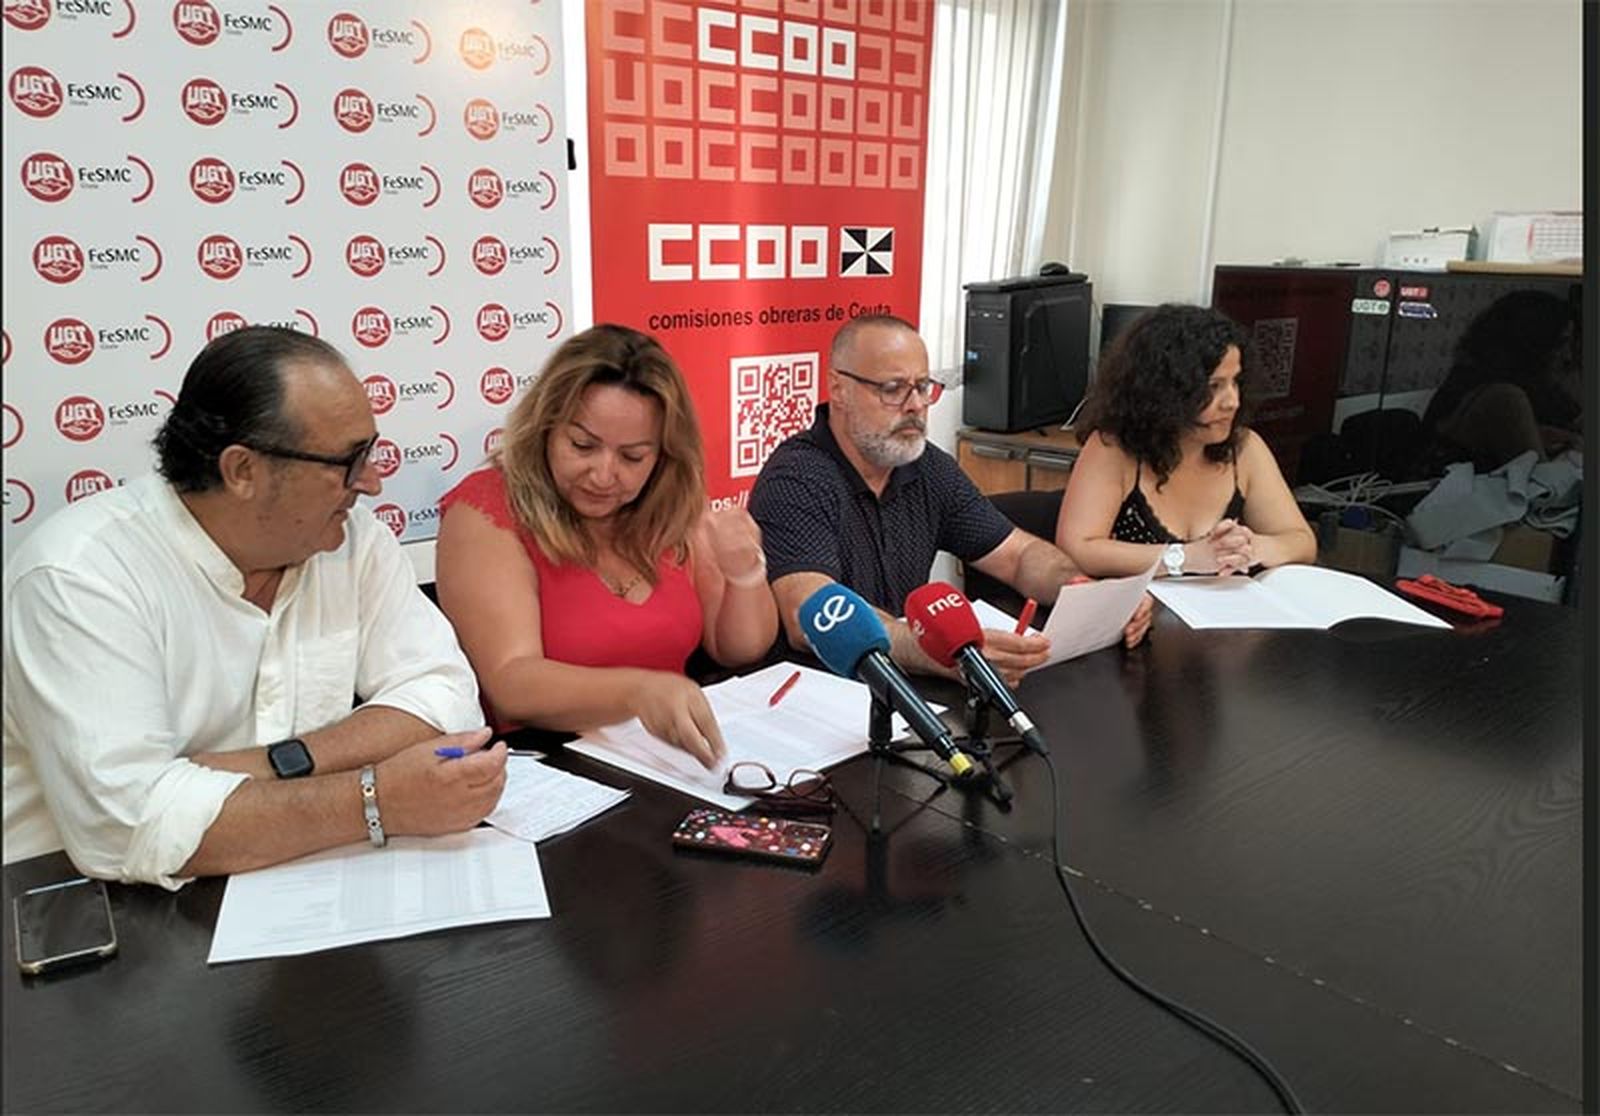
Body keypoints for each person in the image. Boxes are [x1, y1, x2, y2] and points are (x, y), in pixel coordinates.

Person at [2, 326, 505, 889]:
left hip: (298, 882)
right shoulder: (80, 575)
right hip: (91, 915)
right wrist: (375, 800)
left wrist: (279, 763)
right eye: (349, 461)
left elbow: (448, 699)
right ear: (243, 470)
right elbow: (128, 826)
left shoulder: (351, 538)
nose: (373, 482)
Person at [435, 324, 778, 771]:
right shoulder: (486, 507)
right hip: (548, 769)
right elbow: (511, 683)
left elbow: (738, 649)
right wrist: (640, 692)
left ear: (662, 456)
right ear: (545, 430)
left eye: (632, 457)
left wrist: (745, 575)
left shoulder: (668, 503)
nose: (603, 474)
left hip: (666, 762)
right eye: (582, 446)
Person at [749, 314, 1151, 685]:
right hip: (821, 696)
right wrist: (945, 652)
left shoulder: (927, 467)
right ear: (838, 389)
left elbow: (1017, 554)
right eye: (893, 389)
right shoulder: (796, 478)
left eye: (923, 387)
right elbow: (811, 613)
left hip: (906, 687)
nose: (916, 406)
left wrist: (1087, 593)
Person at [1054, 303, 1316, 578]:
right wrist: (1183, 558)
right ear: (1166, 392)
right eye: (1214, 387)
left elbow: (1301, 541)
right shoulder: (1113, 448)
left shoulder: (1245, 448)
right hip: (1140, 615)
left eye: (1235, 382)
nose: (1233, 402)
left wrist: (1250, 546)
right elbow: (1077, 549)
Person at [1420, 289, 1582, 474]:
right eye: (1561, 343)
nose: (1567, 356)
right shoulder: (1503, 397)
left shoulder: (1477, 377)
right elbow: (1545, 486)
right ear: (1533, 345)